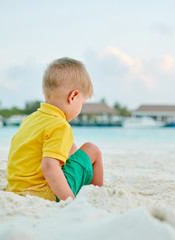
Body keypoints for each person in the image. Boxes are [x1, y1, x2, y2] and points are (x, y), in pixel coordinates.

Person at [6, 57, 103, 201]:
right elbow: (49, 166)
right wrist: (70, 201)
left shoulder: (31, 119)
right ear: (73, 96)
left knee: (71, 148)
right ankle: (97, 196)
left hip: (16, 190)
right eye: (82, 103)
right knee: (92, 149)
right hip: (45, 193)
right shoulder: (60, 125)